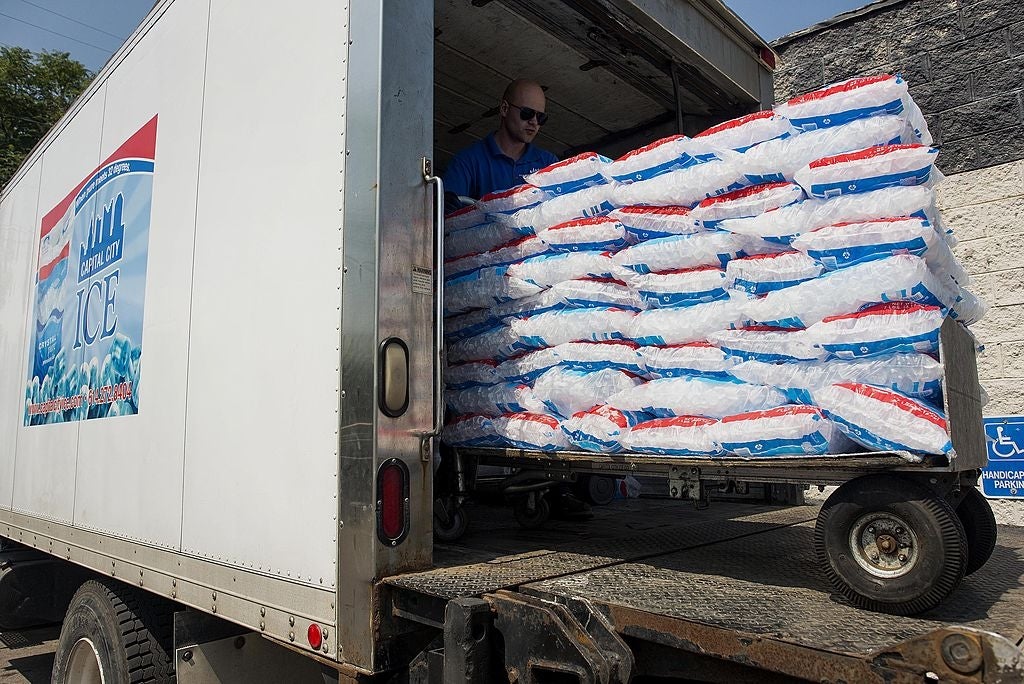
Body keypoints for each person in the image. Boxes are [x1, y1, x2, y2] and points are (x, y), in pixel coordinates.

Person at [443, 79, 558, 212]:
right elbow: (446, 215)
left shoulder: (549, 164)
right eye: (527, 113)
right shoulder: (468, 161)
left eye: (541, 117)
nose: (534, 122)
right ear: (504, 109)